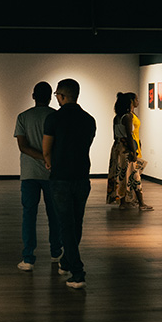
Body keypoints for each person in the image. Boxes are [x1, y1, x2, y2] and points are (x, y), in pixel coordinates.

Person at [42, 78, 96, 289]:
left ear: (62, 96)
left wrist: (49, 163)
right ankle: (66, 262)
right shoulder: (89, 120)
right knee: (76, 222)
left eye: (57, 96)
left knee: (66, 225)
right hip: (82, 176)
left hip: (61, 178)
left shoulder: (53, 119)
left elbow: (47, 149)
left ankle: (78, 272)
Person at [14, 82, 61, 270]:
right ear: (50, 96)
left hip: (29, 173)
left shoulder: (23, 117)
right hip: (53, 172)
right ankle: (56, 252)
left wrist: (41, 157)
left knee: (29, 215)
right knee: (55, 214)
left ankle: (28, 258)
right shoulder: (56, 116)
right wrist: (48, 158)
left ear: (33, 96)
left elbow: (23, 147)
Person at [108, 92, 153, 211]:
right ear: (131, 101)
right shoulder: (128, 117)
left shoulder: (117, 117)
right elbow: (129, 135)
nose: (138, 101)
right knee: (134, 175)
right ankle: (140, 203)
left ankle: (124, 202)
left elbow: (115, 135)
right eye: (136, 99)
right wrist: (133, 152)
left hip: (118, 148)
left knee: (121, 175)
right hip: (126, 149)